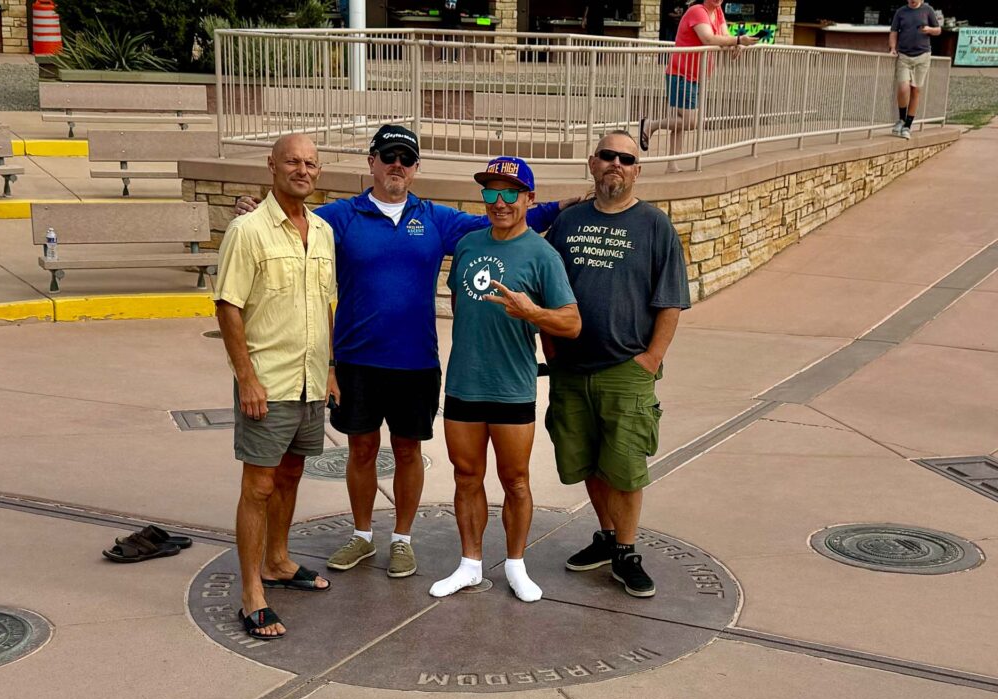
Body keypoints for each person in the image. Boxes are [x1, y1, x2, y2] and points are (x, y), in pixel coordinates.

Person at [234, 126, 576, 581]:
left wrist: (565, 206)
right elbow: (291, 220)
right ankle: (361, 534)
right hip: (357, 359)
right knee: (361, 450)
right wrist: (257, 210)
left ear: (416, 169)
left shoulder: (435, 218)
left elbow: (504, 218)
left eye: (406, 159)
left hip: (416, 360)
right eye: (388, 156)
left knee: (408, 450)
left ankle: (401, 540)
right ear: (371, 162)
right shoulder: (338, 217)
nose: (397, 165)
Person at [544, 130, 690, 598]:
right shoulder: (568, 223)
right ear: (592, 163)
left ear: (636, 170)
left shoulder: (654, 226)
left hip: (626, 368)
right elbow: (546, 286)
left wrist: (651, 360)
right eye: (607, 156)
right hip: (571, 368)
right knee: (585, 459)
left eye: (626, 159)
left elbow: (670, 301)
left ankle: (626, 551)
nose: (616, 164)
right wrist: (550, 347)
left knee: (625, 466)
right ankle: (607, 538)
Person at [430, 157, 581, 602]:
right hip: (463, 384)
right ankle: (470, 564)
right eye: (491, 192)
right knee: (465, 476)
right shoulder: (470, 246)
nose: (500, 201)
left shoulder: (542, 254)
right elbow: (462, 303)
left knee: (515, 481)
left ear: (529, 199)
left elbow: (571, 323)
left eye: (510, 193)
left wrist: (531, 313)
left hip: (512, 386)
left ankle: (515, 566)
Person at [214, 134, 337, 640]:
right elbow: (228, 306)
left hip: (309, 381)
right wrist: (246, 378)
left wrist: (329, 371)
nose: (302, 170)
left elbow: (328, 306)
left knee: (289, 476)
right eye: (293, 161)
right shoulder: (248, 230)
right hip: (268, 382)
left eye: (310, 163)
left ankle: (279, 561)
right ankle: (251, 591)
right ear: (271, 166)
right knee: (258, 486)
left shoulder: (325, 231)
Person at [639, 0, 757, 173]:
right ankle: (651, 125)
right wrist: (739, 39)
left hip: (696, 75)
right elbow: (708, 38)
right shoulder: (697, 11)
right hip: (681, 73)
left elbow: (724, 35)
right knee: (690, 121)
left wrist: (736, 43)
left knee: (680, 121)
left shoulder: (717, 12)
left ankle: (672, 164)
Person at [889, 0, 940, 140]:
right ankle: (901, 119)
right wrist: (893, 48)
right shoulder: (901, 12)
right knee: (903, 88)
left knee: (915, 89)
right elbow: (894, 31)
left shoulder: (927, 10)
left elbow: (938, 30)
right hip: (904, 55)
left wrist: (929, 29)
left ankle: (908, 125)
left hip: (922, 55)